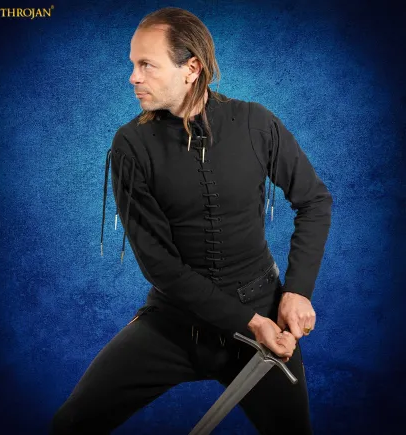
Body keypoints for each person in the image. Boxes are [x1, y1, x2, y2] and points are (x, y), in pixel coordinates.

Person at [50, 7, 332, 435]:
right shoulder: (131, 144)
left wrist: (297, 291)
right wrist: (249, 323)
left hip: (265, 315)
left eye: (147, 65)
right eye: (133, 64)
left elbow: (314, 201)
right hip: (175, 323)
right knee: (72, 424)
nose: (133, 77)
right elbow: (159, 264)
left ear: (191, 68)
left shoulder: (256, 122)